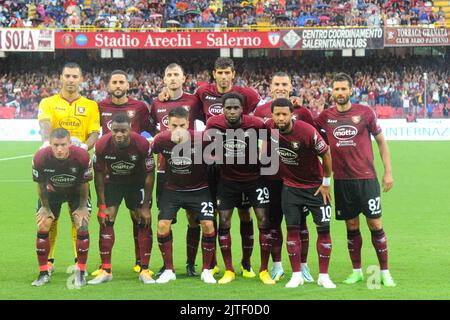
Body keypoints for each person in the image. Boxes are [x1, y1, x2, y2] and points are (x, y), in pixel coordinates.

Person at [158, 57, 261, 278]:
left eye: (227, 72)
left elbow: (260, 117)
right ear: (214, 74)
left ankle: (246, 263)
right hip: (209, 162)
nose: (224, 76)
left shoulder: (248, 95)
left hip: (239, 161)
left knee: (244, 212)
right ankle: (212, 263)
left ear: (233, 74)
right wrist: (165, 96)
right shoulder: (203, 93)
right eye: (220, 72)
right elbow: (185, 111)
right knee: (211, 213)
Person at [315, 72, 396, 287]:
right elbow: (311, 134)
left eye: (344, 89)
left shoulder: (365, 113)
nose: (340, 93)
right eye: (337, 89)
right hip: (341, 181)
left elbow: (381, 143)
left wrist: (388, 172)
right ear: (332, 91)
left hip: (366, 179)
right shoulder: (325, 117)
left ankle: (385, 272)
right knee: (351, 226)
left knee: (375, 223)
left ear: (351, 90)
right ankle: (357, 271)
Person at [205, 92, 274, 285]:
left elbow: (271, 142)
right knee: (224, 221)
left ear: (242, 109)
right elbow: (207, 149)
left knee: (263, 221)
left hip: (254, 180)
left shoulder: (256, 124)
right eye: (229, 108)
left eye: (236, 108)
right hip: (227, 181)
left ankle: (260, 269)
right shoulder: (214, 124)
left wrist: (265, 159)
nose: (232, 111)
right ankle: (229, 270)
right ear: (223, 109)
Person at [37, 62, 100, 274]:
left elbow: (94, 133)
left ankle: (77, 262)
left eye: (75, 76)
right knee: (49, 219)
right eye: (67, 76)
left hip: (78, 169)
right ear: (61, 78)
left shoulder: (91, 105)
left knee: (79, 218)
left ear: (81, 79)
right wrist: (47, 142)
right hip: (53, 169)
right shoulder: (48, 102)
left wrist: (84, 146)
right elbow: (45, 124)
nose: (71, 80)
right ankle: (49, 262)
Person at [267, 98, 336, 289]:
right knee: (292, 230)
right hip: (290, 188)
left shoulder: (307, 132)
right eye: (277, 114)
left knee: (324, 230)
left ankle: (324, 276)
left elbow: (326, 154)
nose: (281, 118)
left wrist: (326, 183)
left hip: (316, 188)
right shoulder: (269, 129)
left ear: (291, 115)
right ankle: (296, 275)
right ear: (272, 115)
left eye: (284, 114)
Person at [253, 71, 315, 283]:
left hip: (298, 178)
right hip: (270, 177)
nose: (280, 87)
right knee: (273, 221)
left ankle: (303, 266)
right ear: (270, 87)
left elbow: (312, 144)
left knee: (301, 223)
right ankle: (277, 265)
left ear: (291, 87)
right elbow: (259, 142)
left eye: (284, 84)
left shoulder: (303, 112)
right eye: (276, 84)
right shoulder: (261, 111)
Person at [93, 69, 153, 276]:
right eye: (114, 82)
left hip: (135, 171)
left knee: (139, 217)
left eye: (122, 82)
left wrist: (140, 148)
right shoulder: (98, 107)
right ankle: (105, 266)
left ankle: (141, 263)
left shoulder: (139, 107)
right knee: (107, 217)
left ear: (128, 85)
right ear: (108, 86)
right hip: (111, 170)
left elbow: (149, 131)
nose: (118, 85)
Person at [150, 63, 205, 277]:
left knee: (194, 218)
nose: (173, 78)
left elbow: (208, 120)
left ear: (184, 78)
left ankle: (191, 264)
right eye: (169, 75)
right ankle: (167, 265)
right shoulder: (156, 103)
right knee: (165, 220)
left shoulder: (194, 101)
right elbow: (151, 131)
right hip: (165, 170)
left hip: (191, 168)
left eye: (176, 75)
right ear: (164, 79)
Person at [88, 113, 155, 285]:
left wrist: (146, 205)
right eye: (115, 131)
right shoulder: (102, 145)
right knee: (106, 219)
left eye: (123, 131)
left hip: (137, 182)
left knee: (144, 219)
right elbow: (99, 176)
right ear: (110, 130)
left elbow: (149, 175)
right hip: (113, 182)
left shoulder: (141, 144)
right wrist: (101, 204)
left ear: (130, 129)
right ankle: (106, 270)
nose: (119, 135)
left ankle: (145, 270)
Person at [152, 107, 216, 284]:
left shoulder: (202, 139)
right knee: (163, 225)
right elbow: (148, 157)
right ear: (167, 125)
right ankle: (169, 270)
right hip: (173, 189)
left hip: (199, 189)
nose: (178, 129)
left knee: (208, 225)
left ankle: (206, 270)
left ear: (188, 124)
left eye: (182, 125)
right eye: (174, 126)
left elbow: (218, 159)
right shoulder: (161, 140)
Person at [31, 128, 92, 287]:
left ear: (69, 143)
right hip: (52, 193)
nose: (59, 149)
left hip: (77, 193)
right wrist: (45, 207)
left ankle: (81, 271)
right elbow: (41, 186)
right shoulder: (40, 158)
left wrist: (82, 207)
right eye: (56, 145)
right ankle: (43, 272)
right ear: (49, 144)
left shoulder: (82, 156)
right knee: (43, 224)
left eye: (63, 145)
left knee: (82, 224)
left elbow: (85, 184)